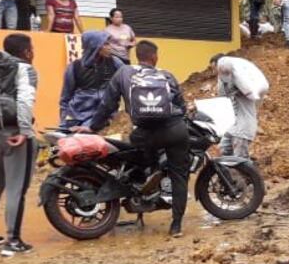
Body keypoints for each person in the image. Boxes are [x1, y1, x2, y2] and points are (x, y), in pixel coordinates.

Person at [77, 40, 190, 238]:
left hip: (145, 133)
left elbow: (108, 104)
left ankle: (146, 185)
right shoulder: (167, 75)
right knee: (179, 175)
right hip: (175, 129)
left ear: (137, 55)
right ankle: (176, 226)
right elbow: (181, 104)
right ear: (155, 57)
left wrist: (92, 127)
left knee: (136, 154)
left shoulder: (124, 73)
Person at [0, 34, 37, 256]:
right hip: (13, 133)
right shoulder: (25, 70)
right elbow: (25, 100)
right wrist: (24, 130)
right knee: (16, 188)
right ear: (26, 52)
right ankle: (13, 240)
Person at [60, 30, 123, 127]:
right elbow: (65, 98)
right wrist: (63, 121)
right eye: (105, 44)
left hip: (104, 117)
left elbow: (128, 79)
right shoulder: (74, 67)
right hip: (77, 116)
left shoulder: (114, 63)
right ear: (95, 46)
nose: (110, 47)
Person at [210, 53, 267, 159]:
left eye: (216, 69)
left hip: (243, 131)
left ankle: (245, 174)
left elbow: (244, 88)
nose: (215, 73)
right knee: (223, 149)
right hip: (233, 128)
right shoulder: (231, 87)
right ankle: (225, 174)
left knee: (239, 160)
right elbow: (223, 97)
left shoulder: (244, 86)